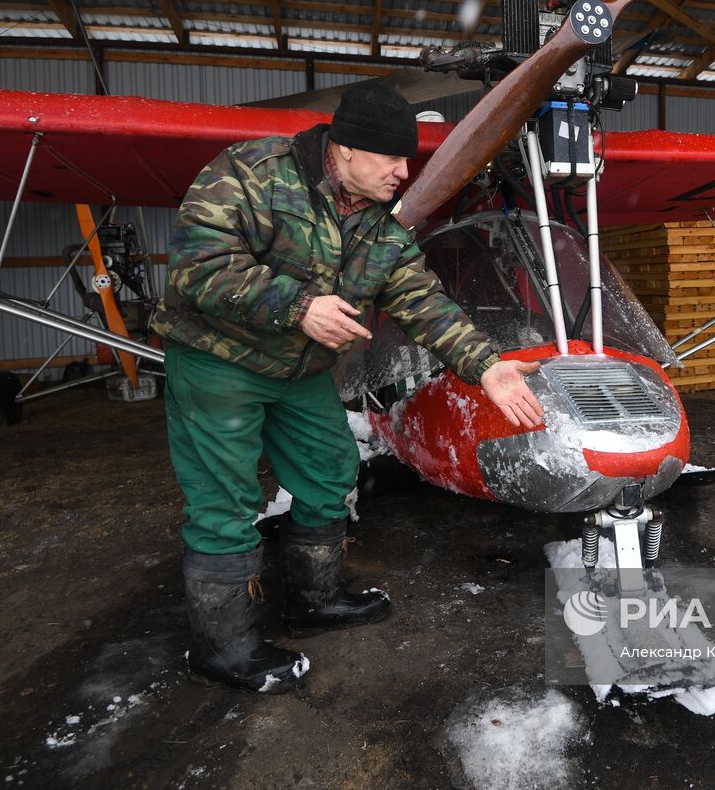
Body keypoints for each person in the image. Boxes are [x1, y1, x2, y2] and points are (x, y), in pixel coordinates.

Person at [152, 82, 544, 694]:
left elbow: (423, 302)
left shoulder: (382, 226)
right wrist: (298, 306)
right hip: (219, 361)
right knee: (224, 499)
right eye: (391, 158)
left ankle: (312, 600)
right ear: (346, 149)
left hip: (300, 372)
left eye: (406, 160)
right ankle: (221, 646)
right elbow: (195, 267)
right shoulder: (252, 172)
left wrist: (487, 366)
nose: (403, 172)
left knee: (330, 471)